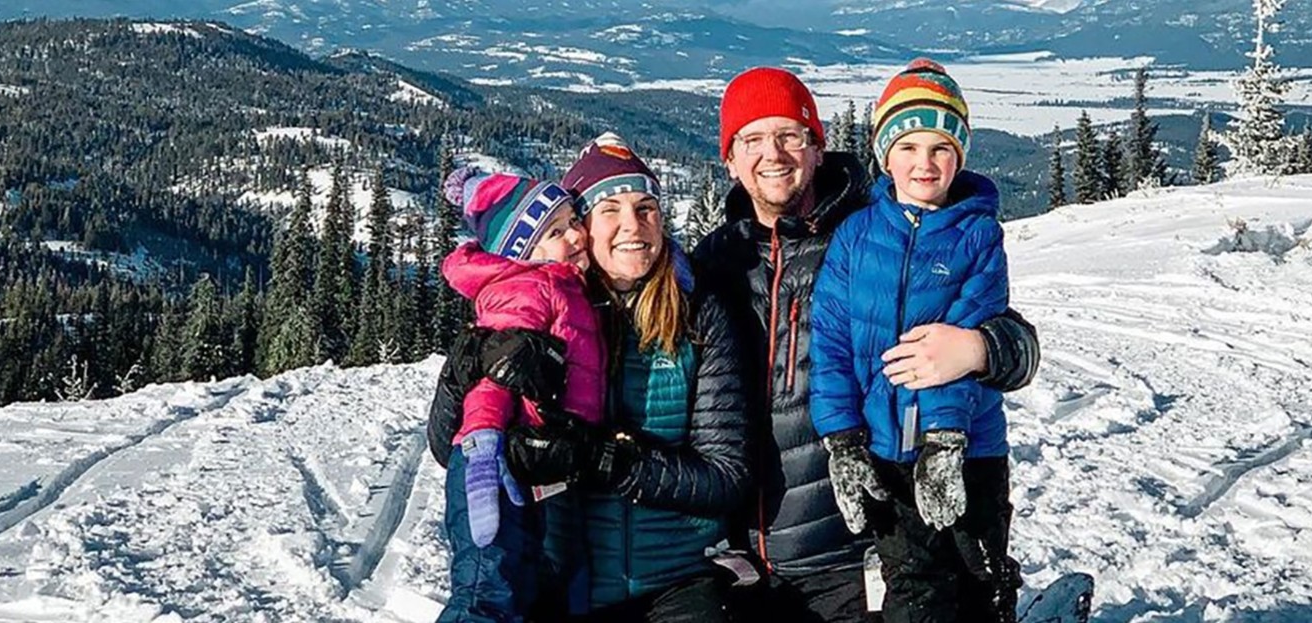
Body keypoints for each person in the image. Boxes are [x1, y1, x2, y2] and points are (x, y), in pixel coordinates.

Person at [689, 66, 1042, 622]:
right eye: (752, 140)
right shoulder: (712, 264)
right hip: (748, 556)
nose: (773, 154)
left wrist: (978, 350)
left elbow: (1014, 342)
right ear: (729, 159)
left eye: (789, 135)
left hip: (857, 545)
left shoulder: (872, 232)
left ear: (817, 146)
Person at [499, 133, 751, 623]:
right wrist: (461, 375)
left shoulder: (699, 312)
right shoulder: (542, 311)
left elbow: (726, 476)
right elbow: (452, 445)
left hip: (678, 578)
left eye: (646, 207)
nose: (632, 226)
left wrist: (611, 461)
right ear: (581, 228)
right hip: (568, 579)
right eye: (609, 209)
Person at [809, 58, 1019, 623]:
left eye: (940, 148)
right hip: (885, 453)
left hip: (969, 450)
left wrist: (945, 439)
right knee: (915, 589)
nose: (923, 163)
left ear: (960, 155)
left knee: (978, 580)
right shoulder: (855, 236)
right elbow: (828, 342)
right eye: (907, 147)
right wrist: (843, 441)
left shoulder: (978, 236)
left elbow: (967, 346)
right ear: (884, 155)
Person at [432, 168, 606, 623]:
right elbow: (493, 378)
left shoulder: (566, 285)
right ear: (523, 250)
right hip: (495, 463)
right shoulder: (529, 287)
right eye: (555, 232)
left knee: (538, 589)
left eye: (573, 220)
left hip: (540, 467)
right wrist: (484, 447)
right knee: (487, 592)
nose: (575, 235)